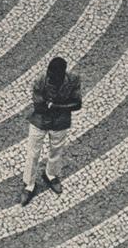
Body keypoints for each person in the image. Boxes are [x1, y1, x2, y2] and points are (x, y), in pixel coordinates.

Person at [21, 55, 83, 206]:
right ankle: (29, 184)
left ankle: (51, 174)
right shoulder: (40, 80)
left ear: (62, 75)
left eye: (53, 77)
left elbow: (77, 104)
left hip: (60, 122)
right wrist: (61, 106)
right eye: (49, 75)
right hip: (40, 121)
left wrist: (55, 106)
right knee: (33, 153)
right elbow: (39, 105)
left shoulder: (73, 80)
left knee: (57, 151)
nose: (50, 79)